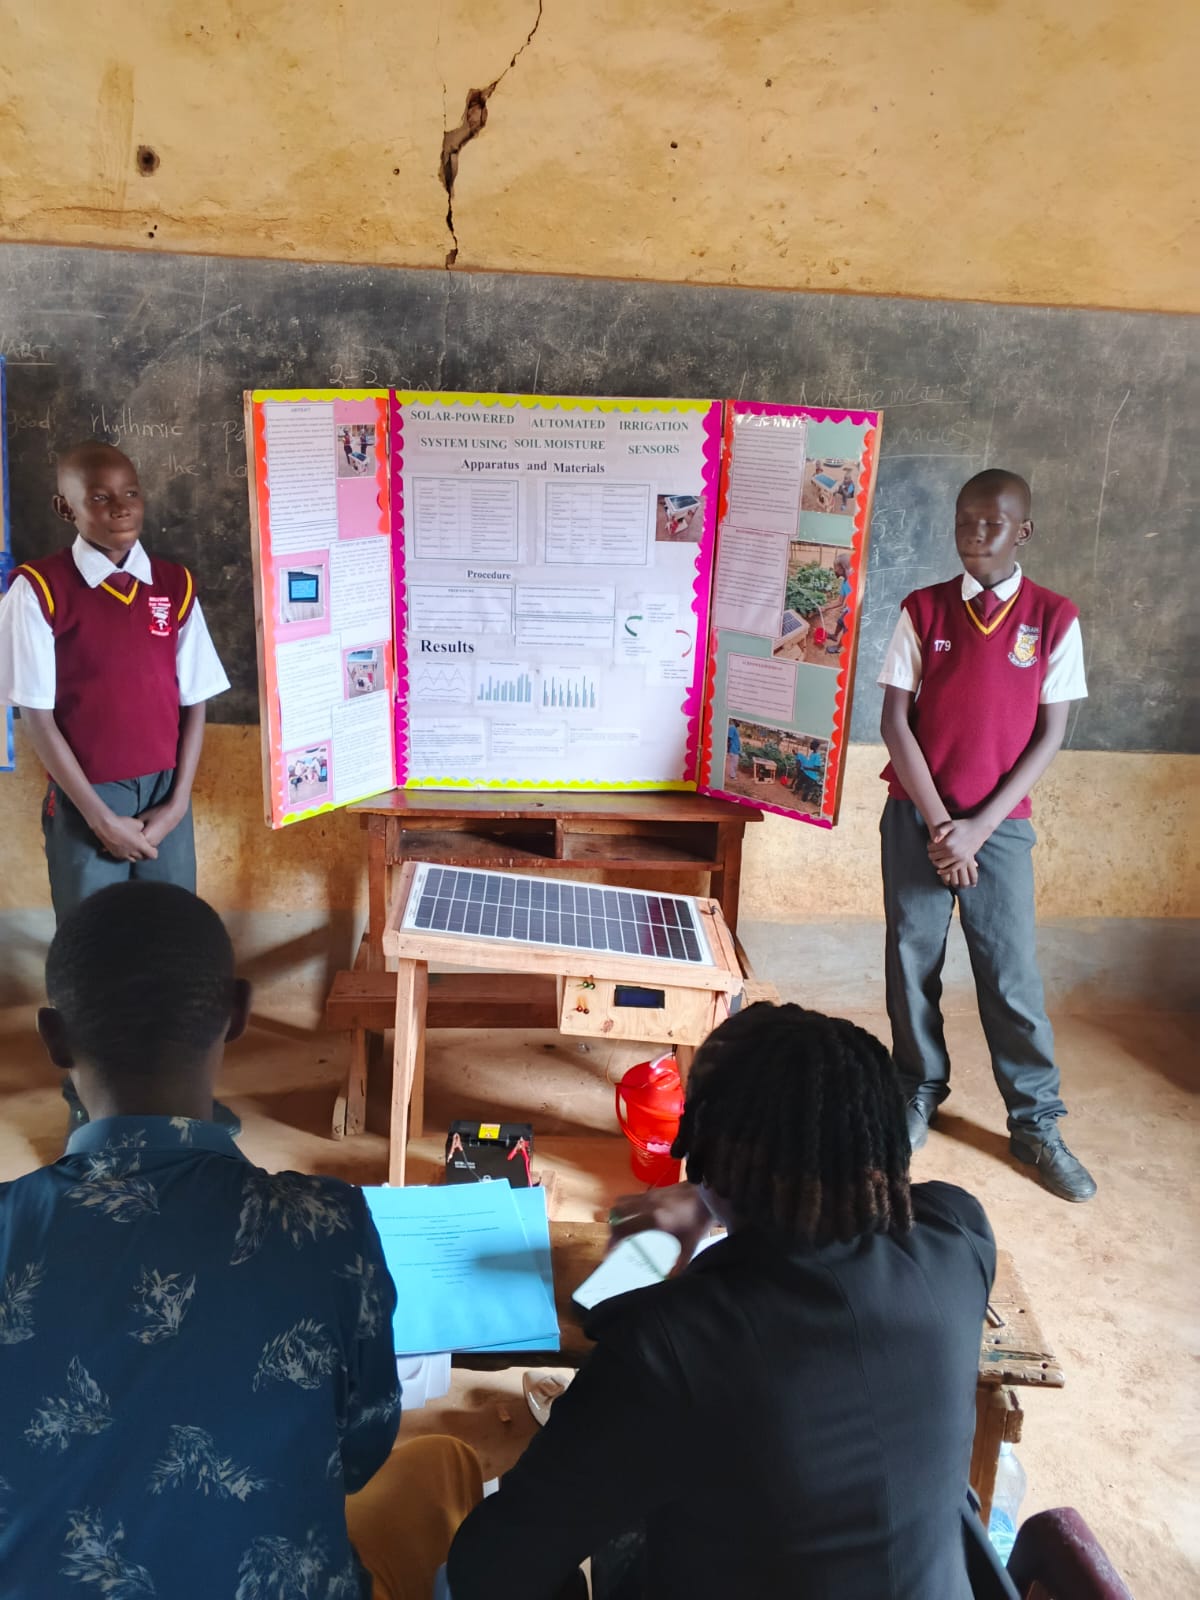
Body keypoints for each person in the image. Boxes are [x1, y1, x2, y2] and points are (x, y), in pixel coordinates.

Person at [0, 881, 482, 1599]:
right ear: (237, 1014)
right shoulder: (326, 1224)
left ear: (54, 1038)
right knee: (446, 1462)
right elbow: (359, 1450)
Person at [446, 1002, 995, 1600]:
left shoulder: (670, 1347)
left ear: (705, 1153)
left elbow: (491, 1565)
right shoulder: (957, 1239)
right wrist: (715, 1197)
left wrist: (655, 1247)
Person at [0, 442, 235, 1134]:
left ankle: (180, 1095)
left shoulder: (174, 586)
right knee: (93, 954)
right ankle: (90, 1101)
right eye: (99, 498)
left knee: (175, 947)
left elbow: (196, 702)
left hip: (165, 799)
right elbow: (37, 718)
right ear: (64, 508)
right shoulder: (37, 591)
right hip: (85, 802)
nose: (120, 508)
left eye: (130, 493)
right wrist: (99, 817)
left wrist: (180, 800)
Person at [878, 467, 1095, 1201]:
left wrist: (976, 831)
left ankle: (1035, 1122)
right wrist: (942, 826)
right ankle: (917, 1087)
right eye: (966, 520)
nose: (975, 534)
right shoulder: (923, 610)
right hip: (918, 818)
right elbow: (893, 722)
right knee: (912, 959)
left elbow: (1049, 736)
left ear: (1022, 531)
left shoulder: (1054, 618)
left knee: (1010, 974)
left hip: (998, 831)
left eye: (992, 524)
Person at [724, 719, 741, 784]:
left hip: (736, 750)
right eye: (739, 721)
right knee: (733, 763)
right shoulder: (732, 728)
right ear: (735, 721)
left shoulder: (735, 729)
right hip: (732, 749)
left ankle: (732, 775)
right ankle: (732, 776)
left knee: (735, 763)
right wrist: (728, 749)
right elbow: (729, 739)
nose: (740, 723)